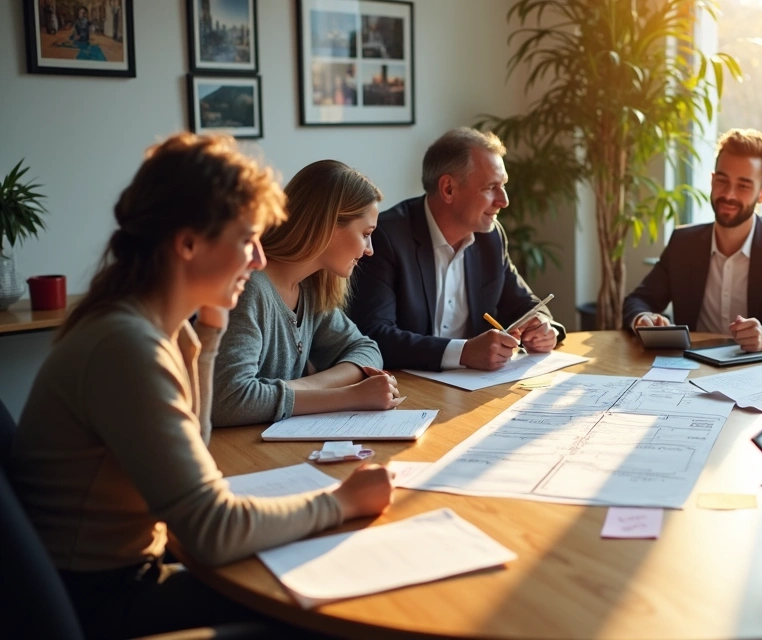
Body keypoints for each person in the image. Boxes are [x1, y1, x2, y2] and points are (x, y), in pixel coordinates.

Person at [7, 134, 393, 638]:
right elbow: (212, 530)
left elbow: (199, 442)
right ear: (188, 243)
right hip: (103, 600)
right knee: (332, 613)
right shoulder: (127, 346)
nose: (259, 259)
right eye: (247, 239)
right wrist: (341, 501)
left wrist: (210, 333)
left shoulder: (153, 327)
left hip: (122, 574)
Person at [348, 128, 565, 371]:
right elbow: (375, 335)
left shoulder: (491, 237)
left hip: (476, 384)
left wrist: (543, 326)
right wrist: (463, 353)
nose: (504, 201)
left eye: (503, 185)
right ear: (448, 189)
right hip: (406, 384)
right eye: (490, 187)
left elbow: (525, 304)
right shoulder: (387, 237)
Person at [212, 160, 397, 427]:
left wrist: (305, 387)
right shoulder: (248, 288)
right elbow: (229, 401)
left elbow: (366, 349)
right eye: (366, 234)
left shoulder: (312, 286)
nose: (369, 250)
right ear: (329, 226)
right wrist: (350, 396)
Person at [621, 128, 762, 352]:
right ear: (712, 181)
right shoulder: (683, 243)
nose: (729, 194)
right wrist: (642, 319)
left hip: (759, 369)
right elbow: (639, 300)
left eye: (743, 185)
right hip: (691, 365)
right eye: (722, 181)